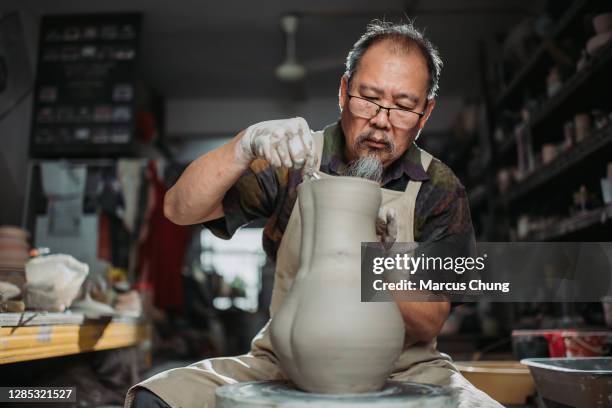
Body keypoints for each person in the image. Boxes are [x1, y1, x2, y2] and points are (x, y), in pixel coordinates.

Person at [126, 20, 502, 408]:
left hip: (406, 367)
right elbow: (178, 209)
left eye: (404, 107)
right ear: (343, 91)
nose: (381, 120)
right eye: (368, 98)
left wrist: (373, 256)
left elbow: (430, 319)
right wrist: (243, 146)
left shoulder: (439, 186)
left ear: (425, 114)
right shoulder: (294, 159)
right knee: (156, 400)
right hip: (284, 359)